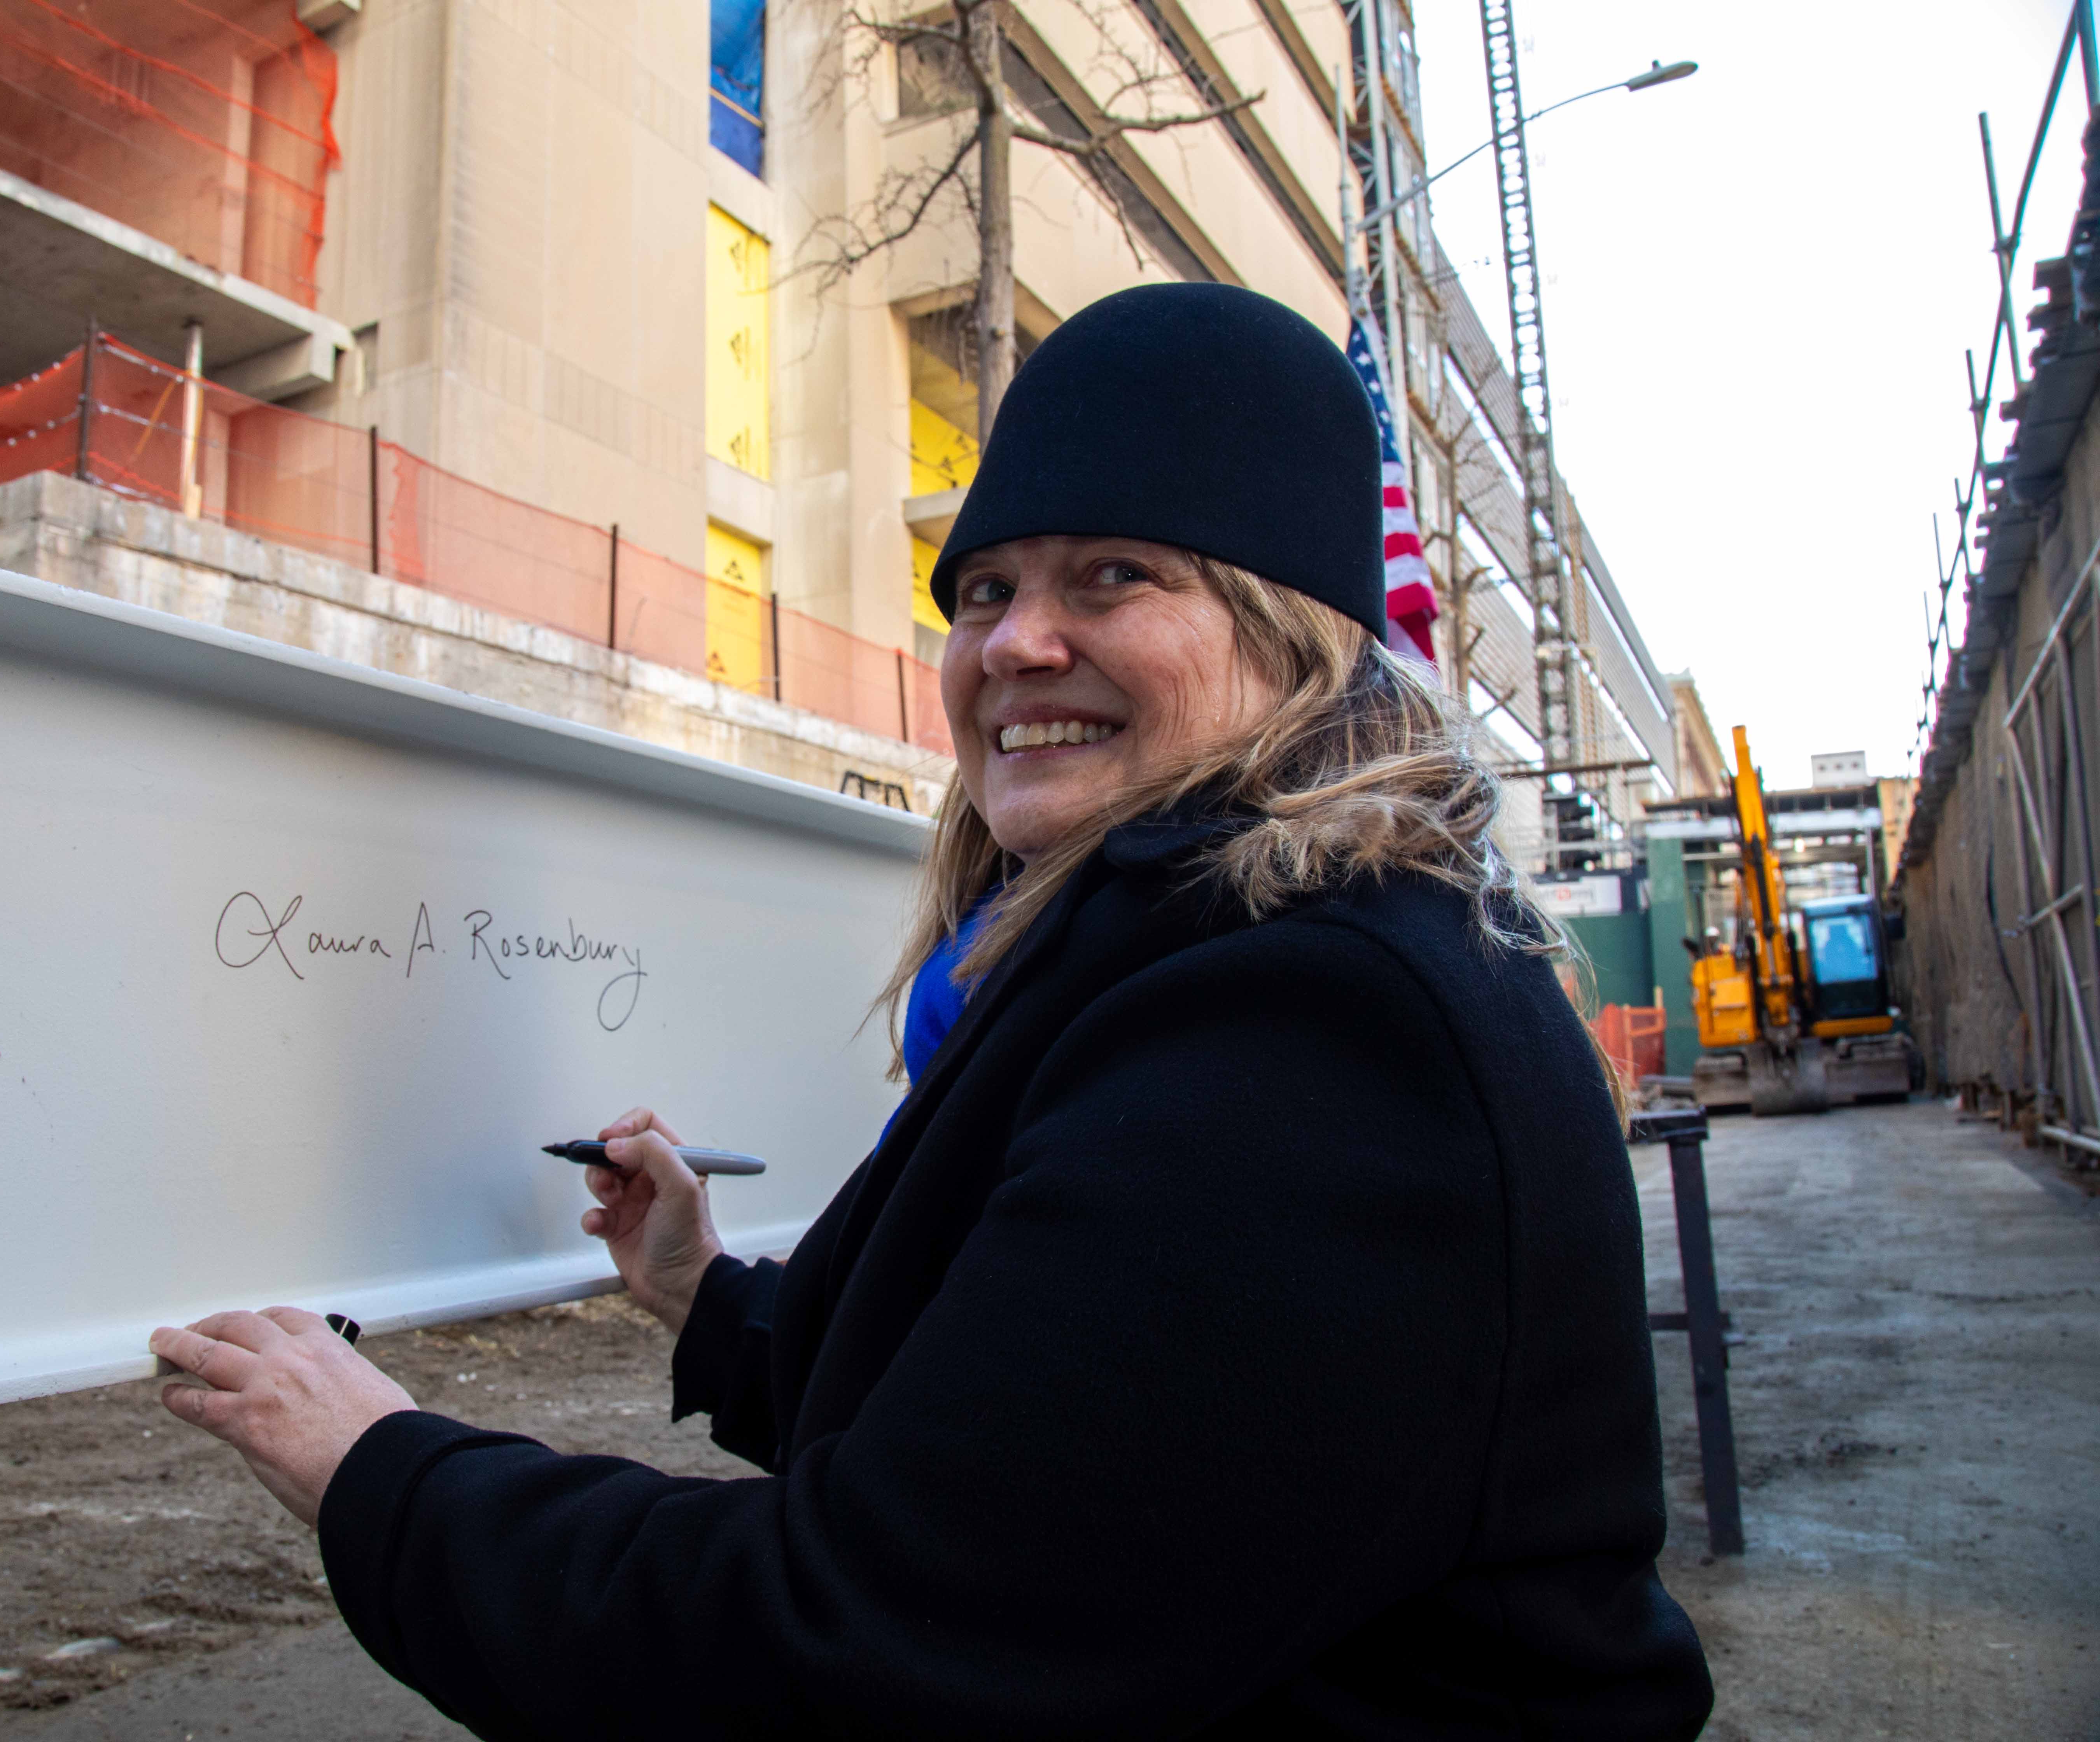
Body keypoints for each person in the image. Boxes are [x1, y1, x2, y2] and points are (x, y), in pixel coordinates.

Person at [147, 283, 1715, 1739]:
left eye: (1116, 572)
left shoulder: (1312, 1025)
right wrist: (710, 1297)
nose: (1015, 642)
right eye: (983, 587)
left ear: (1294, 632)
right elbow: (1029, 1421)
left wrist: (381, 1472)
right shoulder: (1201, 947)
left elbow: (868, 1644)